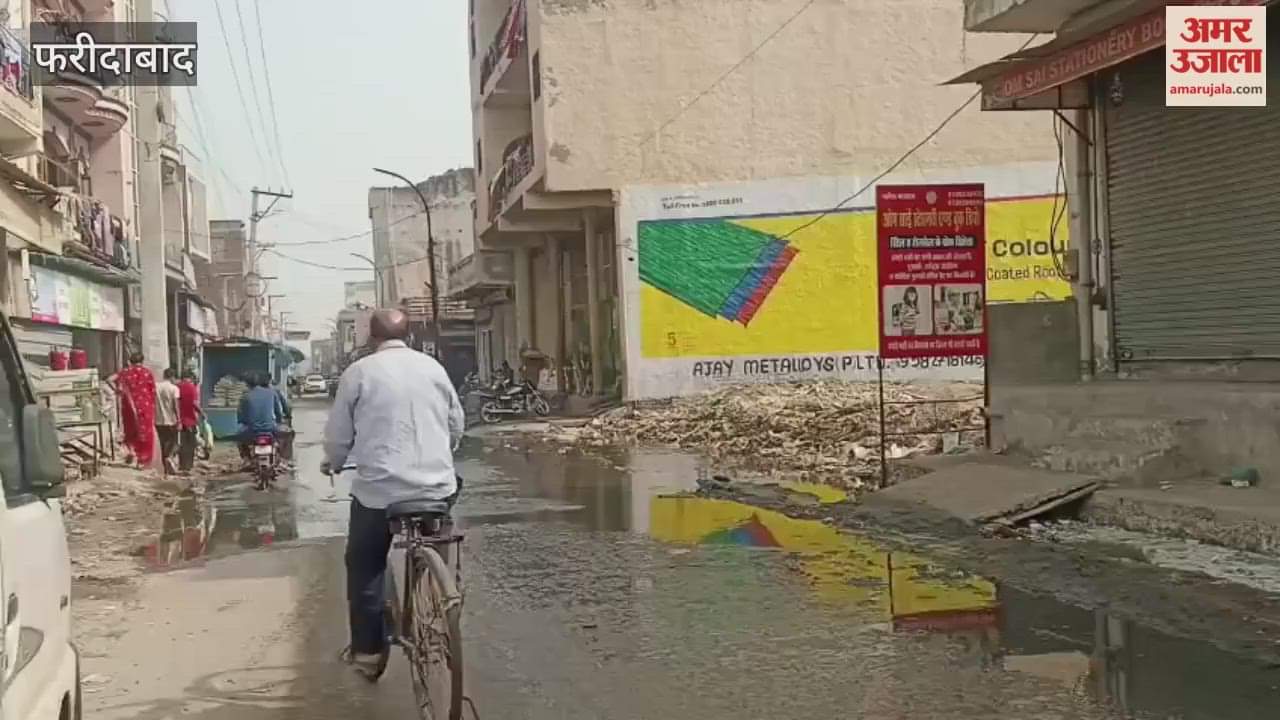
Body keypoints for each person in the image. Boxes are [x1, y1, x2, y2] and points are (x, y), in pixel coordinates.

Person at [322, 309, 464, 680]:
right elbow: (456, 422)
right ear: (410, 335)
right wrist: (444, 453)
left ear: (372, 337)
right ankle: (434, 593)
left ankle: (368, 652)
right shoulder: (433, 367)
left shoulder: (359, 373)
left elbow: (339, 435)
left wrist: (334, 462)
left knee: (365, 562)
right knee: (438, 533)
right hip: (436, 485)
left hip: (380, 491)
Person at [110, 353, 158, 469]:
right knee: (145, 433)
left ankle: (132, 451)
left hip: (129, 406)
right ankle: (142, 460)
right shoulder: (147, 373)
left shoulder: (125, 372)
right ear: (142, 361)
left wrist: (117, 390)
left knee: (130, 430)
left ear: (130, 361)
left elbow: (109, 379)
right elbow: (153, 391)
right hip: (145, 407)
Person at [236, 372, 286, 467]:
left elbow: (241, 415)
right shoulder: (271, 393)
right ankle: (282, 459)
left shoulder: (245, 396)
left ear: (246, 384)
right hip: (270, 428)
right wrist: (279, 421)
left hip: (253, 430)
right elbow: (278, 411)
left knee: (239, 437)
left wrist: (243, 421)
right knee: (285, 436)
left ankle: (247, 459)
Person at [154, 368, 181, 475]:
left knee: (162, 443)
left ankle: (165, 469)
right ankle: (170, 457)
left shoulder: (156, 386)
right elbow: (176, 405)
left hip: (158, 420)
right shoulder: (174, 388)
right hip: (171, 420)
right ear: (172, 377)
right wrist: (179, 420)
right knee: (174, 442)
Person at [176, 370, 203, 473]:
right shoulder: (191, 388)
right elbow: (194, 403)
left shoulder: (177, 386)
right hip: (190, 420)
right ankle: (188, 466)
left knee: (182, 443)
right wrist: (202, 413)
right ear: (190, 378)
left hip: (179, 420)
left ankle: (182, 465)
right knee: (190, 444)